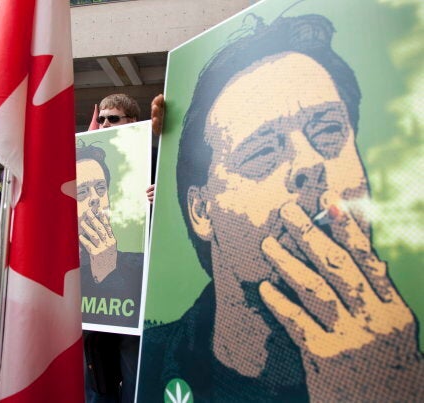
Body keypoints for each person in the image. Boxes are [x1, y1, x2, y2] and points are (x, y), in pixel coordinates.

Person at [139, 14, 423, 401]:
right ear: (202, 211)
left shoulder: (408, 370)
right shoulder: (152, 360)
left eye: (327, 131)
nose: (309, 164)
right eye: (262, 151)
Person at [83, 93, 149, 403]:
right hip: (92, 309)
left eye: (114, 118)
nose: (106, 123)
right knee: (98, 374)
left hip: (134, 297)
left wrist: (157, 195)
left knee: (132, 365)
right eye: (103, 118)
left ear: (133, 122)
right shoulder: (83, 167)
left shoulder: (153, 159)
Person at [76, 143, 144, 328]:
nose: (95, 198)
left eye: (100, 188)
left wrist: (108, 274)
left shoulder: (139, 265)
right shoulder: (49, 270)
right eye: (82, 191)